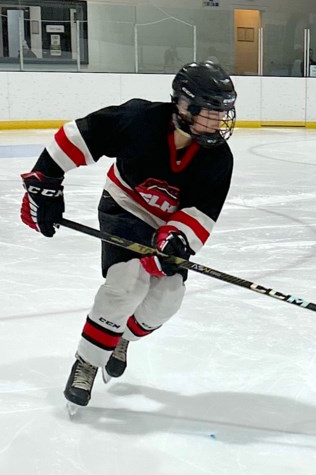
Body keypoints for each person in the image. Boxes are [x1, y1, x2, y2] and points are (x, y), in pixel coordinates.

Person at [19, 61, 237, 410]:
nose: (218, 121)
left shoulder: (218, 159)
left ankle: (121, 339)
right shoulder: (141, 120)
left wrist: (177, 239)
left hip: (166, 224)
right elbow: (77, 136)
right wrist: (46, 181)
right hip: (125, 207)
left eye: (222, 112)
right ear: (183, 106)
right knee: (126, 283)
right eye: (211, 111)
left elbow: (201, 212)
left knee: (169, 295)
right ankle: (87, 362)